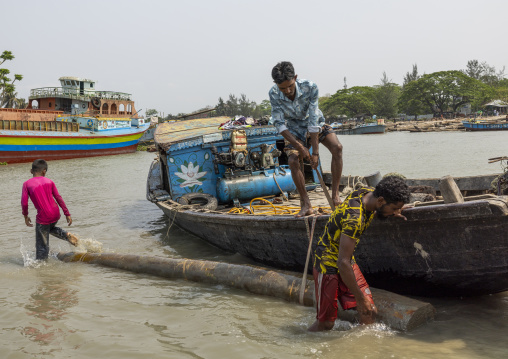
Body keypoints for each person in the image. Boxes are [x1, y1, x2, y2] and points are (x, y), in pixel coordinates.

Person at [308, 176, 411, 331]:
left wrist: (390, 212)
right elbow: (342, 263)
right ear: (381, 201)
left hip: (345, 259)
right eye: (394, 208)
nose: (397, 212)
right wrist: (359, 297)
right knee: (326, 324)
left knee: (369, 311)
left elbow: (345, 260)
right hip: (327, 263)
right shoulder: (354, 220)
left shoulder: (367, 193)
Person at [269, 61, 343, 217]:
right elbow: (279, 123)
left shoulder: (310, 87)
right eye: (283, 88)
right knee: (293, 161)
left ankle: (335, 196)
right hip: (294, 130)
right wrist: (300, 147)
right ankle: (307, 205)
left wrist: (315, 152)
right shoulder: (274, 93)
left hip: (315, 125)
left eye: (290, 86)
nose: (287, 91)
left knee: (337, 148)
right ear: (276, 84)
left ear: (295, 77)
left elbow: (314, 119)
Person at [21, 159, 79, 260]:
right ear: (44, 171)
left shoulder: (27, 184)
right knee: (49, 228)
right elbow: (58, 197)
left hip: (43, 216)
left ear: (31, 171)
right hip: (55, 213)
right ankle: (66, 235)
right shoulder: (49, 181)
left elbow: (24, 202)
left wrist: (25, 216)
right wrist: (66, 213)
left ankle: (42, 269)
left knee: (41, 247)